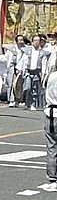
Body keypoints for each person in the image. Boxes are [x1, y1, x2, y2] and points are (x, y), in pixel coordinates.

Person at [42, 60, 57, 192]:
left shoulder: (51, 76)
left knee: (52, 147)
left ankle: (53, 179)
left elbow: (44, 86)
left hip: (52, 114)